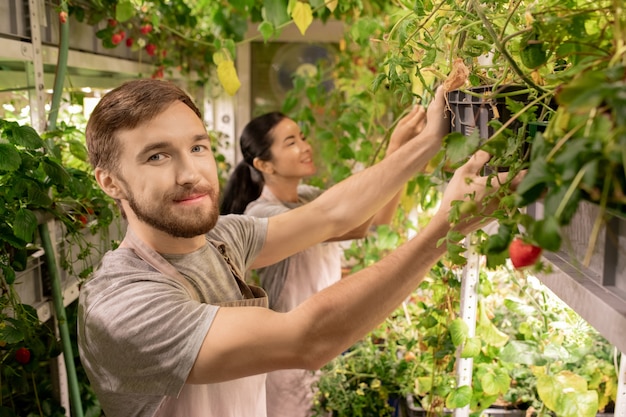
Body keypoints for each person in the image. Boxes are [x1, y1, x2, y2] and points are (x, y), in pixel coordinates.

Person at [78, 78, 515, 417]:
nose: (189, 172)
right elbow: (309, 339)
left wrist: (431, 138)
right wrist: (447, 227)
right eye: (157, 156)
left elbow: (332, 215)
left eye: (197, 147)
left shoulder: (222, 239)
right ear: (110, 181)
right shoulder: (122, 303)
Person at [220, 108, 426, 417]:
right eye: (290, 142)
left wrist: (406, 155)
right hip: (286, 353)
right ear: (264, 164)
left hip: (324, 338)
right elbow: (353, 224)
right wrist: (398, 152)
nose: (305, 146)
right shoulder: (261, 215)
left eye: (302, 137)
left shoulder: (307, 196)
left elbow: (378, 217)